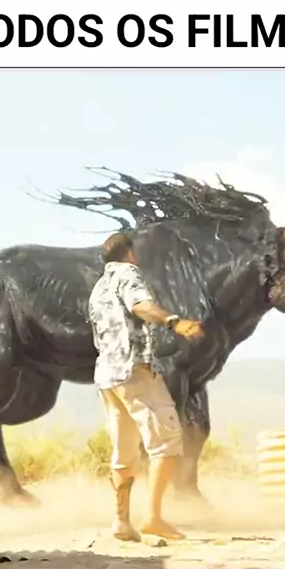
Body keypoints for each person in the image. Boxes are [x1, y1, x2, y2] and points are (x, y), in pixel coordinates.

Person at [88, 231, 205, 542]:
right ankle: (153, 518)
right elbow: (140, 305)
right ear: (129, 253)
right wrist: (174, 322)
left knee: (123, 451)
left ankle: (121, 521)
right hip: (135, 370)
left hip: (108, 375)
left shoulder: (98, 288)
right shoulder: (128, 274)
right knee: (167, 439)